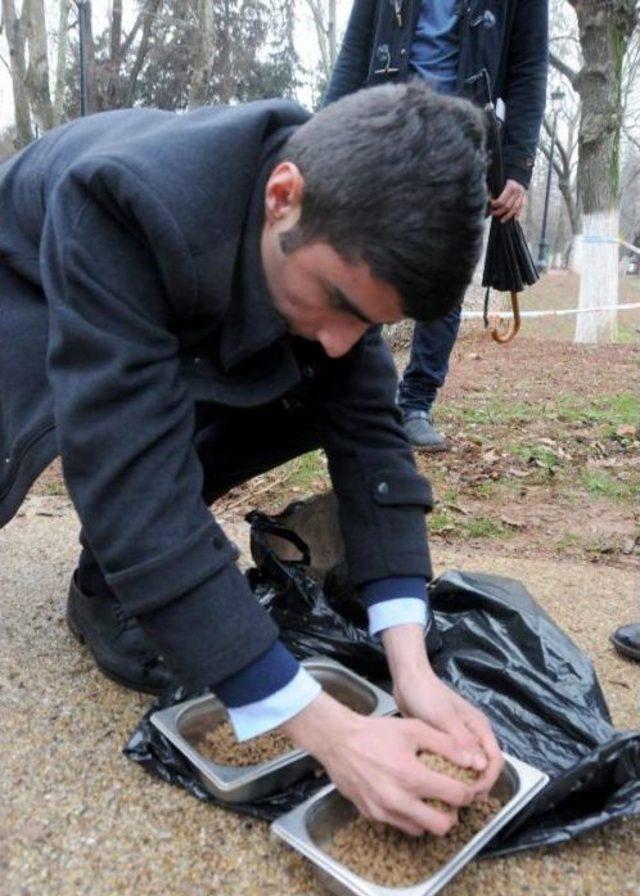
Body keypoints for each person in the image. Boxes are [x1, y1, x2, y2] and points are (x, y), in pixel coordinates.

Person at [0, 83, 503, 836]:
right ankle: (132, 569)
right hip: (30, 266)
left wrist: (413, 666)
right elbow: (127, 464)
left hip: (201, 266)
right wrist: (331, 734)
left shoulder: (342, 219)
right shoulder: (122, 202)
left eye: (368, 323)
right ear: (283, 195)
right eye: (339, 301)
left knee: (312, 388)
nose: (341, 341)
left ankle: (107, 584)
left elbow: (371, 436)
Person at [324, 0, 549, 449]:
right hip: (385, 126)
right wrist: (325, 134)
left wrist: (519, 167)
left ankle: (415, 404)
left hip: (464, 135)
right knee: (366, 263)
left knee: (445, 273)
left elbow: (528, 68)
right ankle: (360, 397)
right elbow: (355, 50)